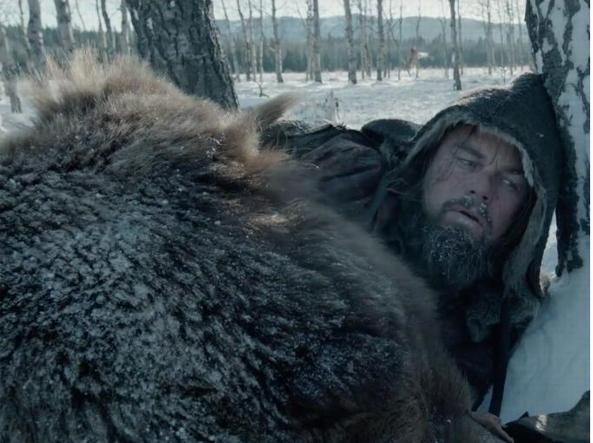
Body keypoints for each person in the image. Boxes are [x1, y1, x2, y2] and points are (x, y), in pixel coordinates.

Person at [268, 73, 564, 415]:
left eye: (510, 183)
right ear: (428, 158)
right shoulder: (351, 178)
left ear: (526, 216)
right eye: (467, 162)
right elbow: (228, 155)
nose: (482, 190)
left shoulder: (509, 323)